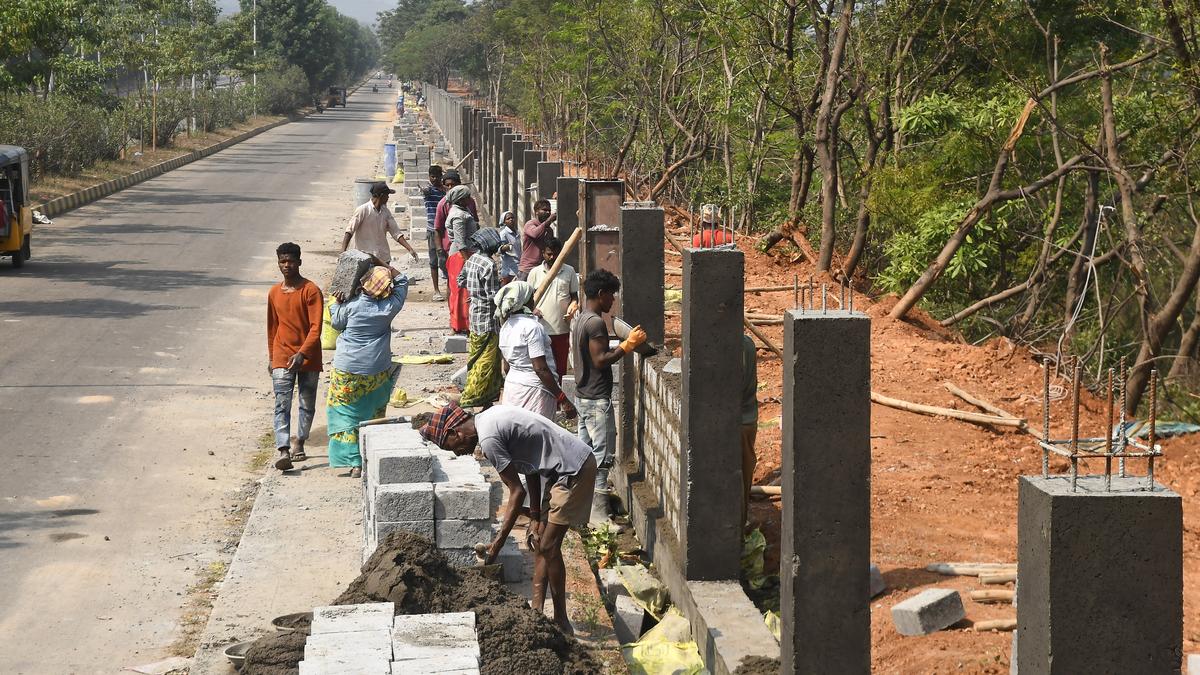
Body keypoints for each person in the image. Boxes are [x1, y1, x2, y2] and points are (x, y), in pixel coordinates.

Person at [420, 402, 596, 635]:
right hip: (558, 471)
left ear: (455, 432)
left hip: (575, 469)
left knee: (549, 546)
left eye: (450, 446)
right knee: (540, 541)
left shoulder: (489, 438)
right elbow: (530, 468)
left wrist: (498, 543)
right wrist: (534, 517)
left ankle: (562, 621)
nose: (456, 452)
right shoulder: (489, 419)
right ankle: (536, 613)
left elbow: (516, 491)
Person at [573, 269, 646, 524]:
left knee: (585, 456)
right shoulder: (595, 323)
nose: (613, 300)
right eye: (611, 295)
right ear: (601, 293)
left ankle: (583, 508)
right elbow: (600, 360)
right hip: (595, 400)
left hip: (583, 397)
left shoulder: (581, 318)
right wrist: (628, 345)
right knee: (602, 458)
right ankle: (599, 515)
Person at [326, 265, 409, 478]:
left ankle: (354, 462)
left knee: (345, 413)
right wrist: (384, 264)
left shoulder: (351, 305)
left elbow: (336, 323)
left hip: (346, 369)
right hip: (376, 369)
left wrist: (337, 302)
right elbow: (403, 281)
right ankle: (370, 456)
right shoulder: (388, 307)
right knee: (372, 411)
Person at [266, 242, 324, 472]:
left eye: (290, 261)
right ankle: (283, 449)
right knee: (282, 404)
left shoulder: (311, 290)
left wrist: (302, 353)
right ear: (278, 264)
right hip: (282, 355)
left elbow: (316, 328)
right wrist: (272, 357)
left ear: (299, 262)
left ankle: (299, 441)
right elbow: (272, 327)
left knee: (307, 404)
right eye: (282, 261)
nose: (286, 265)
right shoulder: (274, 293)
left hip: (309, 357)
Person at [496, 281, 576, 419]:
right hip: (535, 392)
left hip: (512, 389)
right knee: (538, 430)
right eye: (531, 298)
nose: (534, 301)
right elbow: (540, 369)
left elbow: (507, 367)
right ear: (525, 301)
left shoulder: (506, 327)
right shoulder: (532, 327)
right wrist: (562, 399)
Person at [457, 228, 503, 408]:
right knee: (487, 361)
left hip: (474, 314)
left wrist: (474, 293)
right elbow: (493, 296)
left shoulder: (472, 259)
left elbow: (460, 281)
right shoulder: (489, 265)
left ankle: (486, 398)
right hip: (488, 318)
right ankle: (471, 397)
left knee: (475, 356)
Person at [526, 237, 578, 380]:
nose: (552, 257)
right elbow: (527, 300)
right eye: (549, 254)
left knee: (560, 369)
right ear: (543, 253)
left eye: (555, 254)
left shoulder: (569, 271)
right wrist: (534, 310)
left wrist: (573, 306)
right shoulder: (535, 273)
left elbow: (574, 296)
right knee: (542, 369)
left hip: (561, 330)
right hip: (540, 330)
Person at [342, 182, 419, 264]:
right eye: (387, 195)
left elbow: (396, 233)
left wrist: (410, 249)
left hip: (383, 258)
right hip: (364, 258)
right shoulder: (362, 210)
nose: (388, 197)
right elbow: (349, 231)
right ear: (381, 195)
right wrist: (343, 252)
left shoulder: (386, 212)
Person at [443, 184, 478, 334]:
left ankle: (465, 324)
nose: (470, 199)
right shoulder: (458, 216)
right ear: (461, 199)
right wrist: (468, 262)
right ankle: (459, 324)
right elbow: (460, 242)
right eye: (467, 197)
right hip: (461, 256)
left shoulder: (462, 211)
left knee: (465, 290)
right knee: (460, 291)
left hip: (464, 254)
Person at [740, 334, 759, 530]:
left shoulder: (738, 348)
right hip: (745, 420)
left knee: (740, 478)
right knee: (743, 475)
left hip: (740, 422)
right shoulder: (747, 343)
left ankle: (739, 527)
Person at [421, 165, 447, 300]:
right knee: (433, 261)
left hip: (445, 230)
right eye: (433, 177)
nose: (435, 179)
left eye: (438, 176)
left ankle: (449, 288)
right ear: (429, 177)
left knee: (446, 259)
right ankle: (436, 290)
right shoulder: (429, 190)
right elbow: (424, 190)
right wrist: (427, 188)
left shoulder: (445, 192)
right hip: (432, 230)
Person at [518, 199, 557, 280]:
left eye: (549, 210)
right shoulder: (530, 224)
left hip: (542, 268)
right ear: (536, 212)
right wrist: (549, 221)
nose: (548, 212)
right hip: (528, 268)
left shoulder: (549, 230)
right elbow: (535, 234)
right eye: (544, 210)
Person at [497, 211, 520, 285]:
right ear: (504, 222)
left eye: (512, 218)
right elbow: (499, 250)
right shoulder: (503, 233)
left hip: (518, 264)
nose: (511, 219)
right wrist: (504, 248)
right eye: (508, 218)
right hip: (509, 267)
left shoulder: (517, 232)